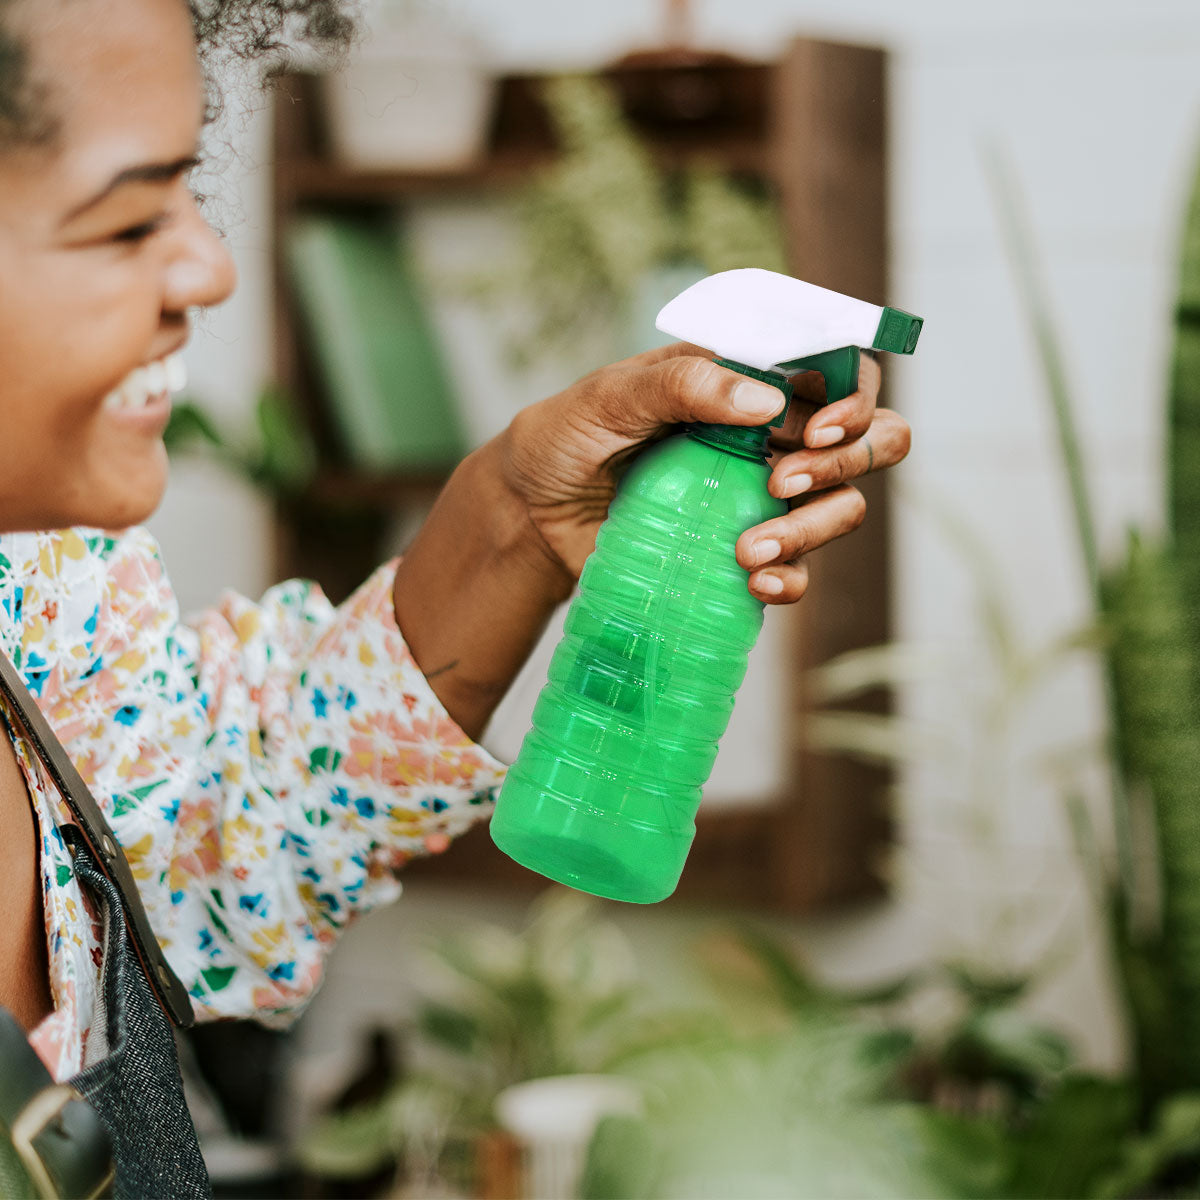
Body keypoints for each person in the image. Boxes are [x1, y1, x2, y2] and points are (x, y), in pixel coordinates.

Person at [0, 0, 912, 1193]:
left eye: (189, 194)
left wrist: (522, 519)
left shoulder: (50, 576)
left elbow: (220, 845)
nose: (209, 266)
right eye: (126, 220)